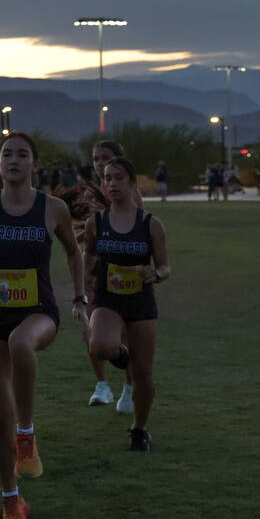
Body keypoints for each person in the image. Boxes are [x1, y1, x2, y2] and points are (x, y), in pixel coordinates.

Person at [0, 131, 86, 519]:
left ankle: (26, 435)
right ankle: (11, 499)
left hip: (39, 312)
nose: (13, 160)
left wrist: (80, 298)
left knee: (21, 343)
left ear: (34, 164)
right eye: (7, 154)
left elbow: (74, 253)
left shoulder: (52, 208)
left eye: (22, 154)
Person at [83, 157, 170, 451]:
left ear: (132, 183)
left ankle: (139, 428)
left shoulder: (150, 224)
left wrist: (155, 273)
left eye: (118, 178)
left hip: (141, 301)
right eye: (107, 178)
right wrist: (85, 287)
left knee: (144, 373)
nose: (112, 184)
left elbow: (165, 267)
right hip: (107, 298)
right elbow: (88, 256)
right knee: (99, 346)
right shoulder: (96, 222)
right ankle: (122, 354)